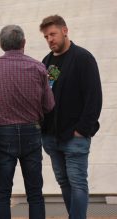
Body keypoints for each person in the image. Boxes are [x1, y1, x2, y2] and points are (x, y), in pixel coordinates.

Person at [0, 25, 55, 219]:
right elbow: (49, 105)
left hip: (2, 134)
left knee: (2, 194)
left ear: (1, 44)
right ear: (24, 43)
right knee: (35, 193)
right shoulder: (38, 67)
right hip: (31, 132)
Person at [39, 15, 102, 219]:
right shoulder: (46, 62)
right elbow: (42, 97)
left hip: (75, 136)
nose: (50, 39)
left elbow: (94, 98)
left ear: (65, 31)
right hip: (51, 137)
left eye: (53, 34)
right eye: (46, 36)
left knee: (77, 183)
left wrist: (81, 130)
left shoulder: (83, 58)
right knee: (64, 183)